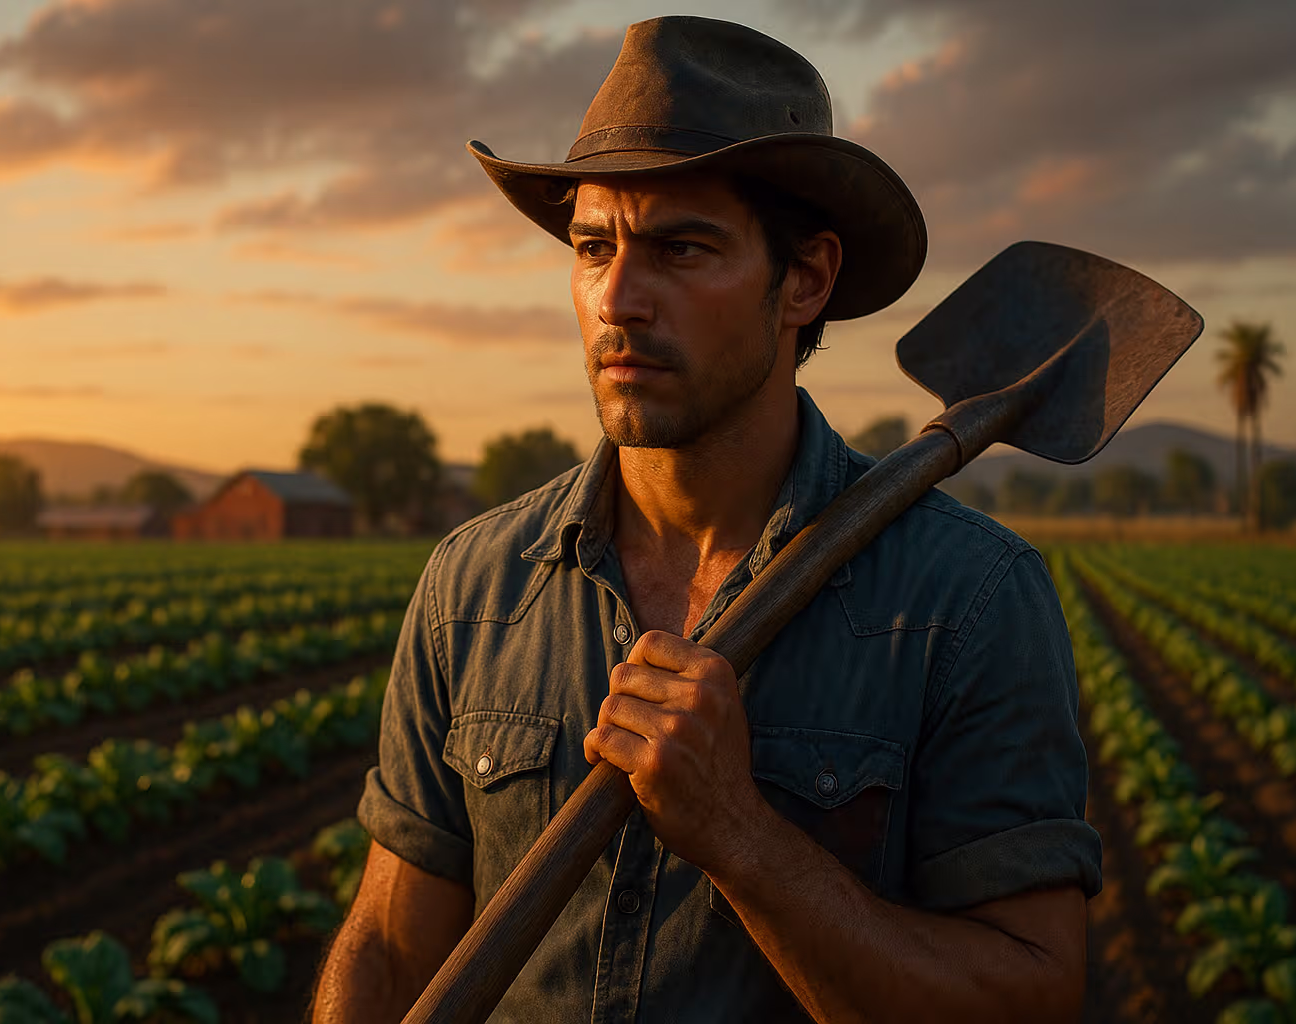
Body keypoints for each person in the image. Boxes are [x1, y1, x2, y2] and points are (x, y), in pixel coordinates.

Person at [313, 15, 1101, 1023]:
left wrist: (739, 832)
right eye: (593, 247)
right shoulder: (473, 587)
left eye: (682, 248)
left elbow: (1029, 997)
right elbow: (387, 943)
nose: (621, 298)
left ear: (805, 280)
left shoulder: (969, 601)